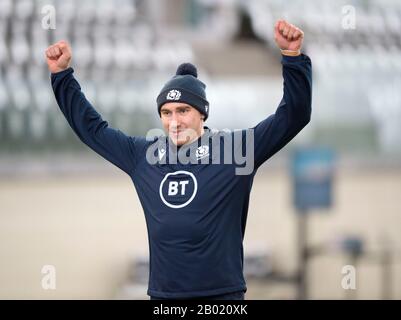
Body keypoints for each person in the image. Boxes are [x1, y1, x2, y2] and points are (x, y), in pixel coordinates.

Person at [45, 19, 312, 300]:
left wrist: (292, 58)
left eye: (183, 110)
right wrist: (62, 76)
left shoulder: (236, 151)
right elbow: (93, 130)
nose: (174, 121)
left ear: (202, 114)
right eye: (167, 112)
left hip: (222, 298)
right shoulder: (142, 156)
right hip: (164, 299)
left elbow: (293, 116)